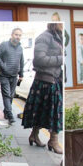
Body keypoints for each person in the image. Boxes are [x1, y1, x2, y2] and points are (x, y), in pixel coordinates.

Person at [21, 23, 64, 155]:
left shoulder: (57, 36)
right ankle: (53, 140)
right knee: (52, 111)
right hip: (46, 80)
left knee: (42, 110)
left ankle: (35, 135)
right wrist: (61, 59)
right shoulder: (44, 37)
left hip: (53, 78)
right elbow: (39, 60)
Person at [0, 27, 24, 125]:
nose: (18, 37)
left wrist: (21, 74)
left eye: (19, 35)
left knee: (11, 95)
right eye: (16, 34)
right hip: (4, 75)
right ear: (12, 35)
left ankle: (6, 111)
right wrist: (3, 67)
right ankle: (10, 114)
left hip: (14, 76)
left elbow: (21, 61)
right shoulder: (4, 45)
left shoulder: (20, 48)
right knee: (7, 95)